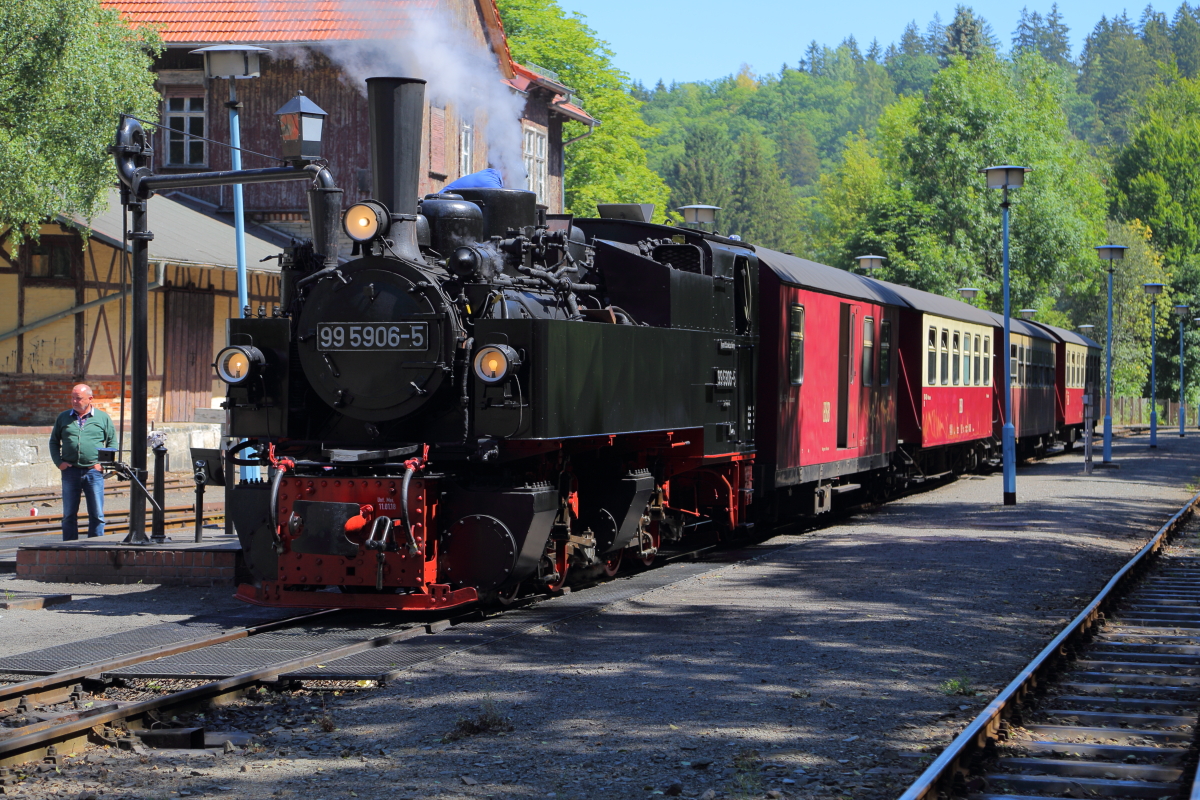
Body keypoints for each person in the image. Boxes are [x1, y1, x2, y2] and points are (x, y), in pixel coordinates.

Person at [49, 384, 116, 541]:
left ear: (90, 399)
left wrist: (104, 465)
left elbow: (112, 442)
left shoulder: (102, 417)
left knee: (97, 514)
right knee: (69, 515)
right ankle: (70, 548)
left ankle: (96, 547)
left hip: (93, 472)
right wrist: (59, 462)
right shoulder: (63, 417)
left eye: (78, 398)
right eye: (72, 397)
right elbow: (54, 442)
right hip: (70, 471)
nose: (74, 401)